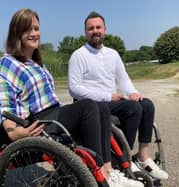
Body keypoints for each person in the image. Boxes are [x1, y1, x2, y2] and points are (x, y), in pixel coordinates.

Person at [0, 8, 143, 187]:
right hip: (34, 123)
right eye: (28, 29)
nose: (34, 33)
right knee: (87, 106)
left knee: (100, 106)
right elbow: (5, 107)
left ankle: (108, 171)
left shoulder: (36, 63)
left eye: (36, 28)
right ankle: (100, 176)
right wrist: (17, 133)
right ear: (16, 33)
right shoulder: (7, 64)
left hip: (52, 114)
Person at [68, 11, 168, 180]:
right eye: (90, 28)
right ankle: (123, 158)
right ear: (85, 32)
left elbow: (124, 79)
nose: (95, 31)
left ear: (105, 29)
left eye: (98, 27)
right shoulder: (79, 56)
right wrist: (106, 96)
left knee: (147, 104)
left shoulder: (112, 54)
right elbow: (74, 88)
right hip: (93, 105)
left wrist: (133, 92)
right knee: (133, 108)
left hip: (112, 101)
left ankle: (142, 157)